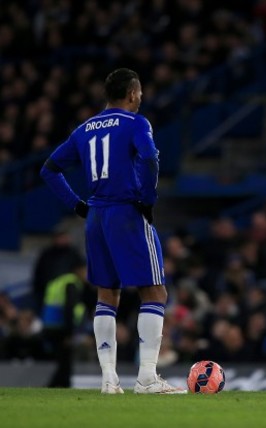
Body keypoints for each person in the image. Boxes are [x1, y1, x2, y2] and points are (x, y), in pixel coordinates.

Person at [40, 68, 185, 394]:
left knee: (107, 295)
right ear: (132, 94)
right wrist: (147, 200)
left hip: (96, 218)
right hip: (126, 212)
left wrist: (78, 205)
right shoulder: (136, 123)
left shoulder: (84, 129)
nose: (141, 98)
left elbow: (48, 169)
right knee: (155, 292)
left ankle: (109, 380)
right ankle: (147, 378)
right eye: (140, 93)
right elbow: (148, 157)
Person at [41, 261, 88, 387]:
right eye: (85, 271)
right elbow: (69, 308)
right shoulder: (71, 283)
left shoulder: (59, 281)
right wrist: (69, 332)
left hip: (49, 324)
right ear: (78, 270)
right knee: (65, 361)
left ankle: (59, 385)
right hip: (60, 327)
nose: (87, 275)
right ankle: (57, 385)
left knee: (63, 360)